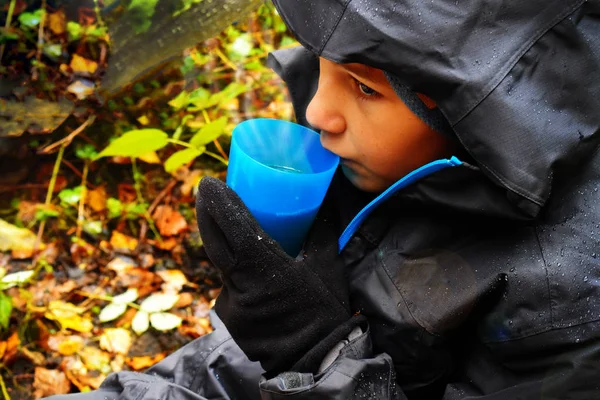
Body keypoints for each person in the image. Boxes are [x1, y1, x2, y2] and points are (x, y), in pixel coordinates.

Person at [48, 0, 600, 399]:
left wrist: (317, 356)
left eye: (365, 87)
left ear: (479, 114)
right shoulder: (384, 165)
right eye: (324, 64)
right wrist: (277, 325)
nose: (315, 112)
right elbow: (232, 372)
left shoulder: (564, 306)